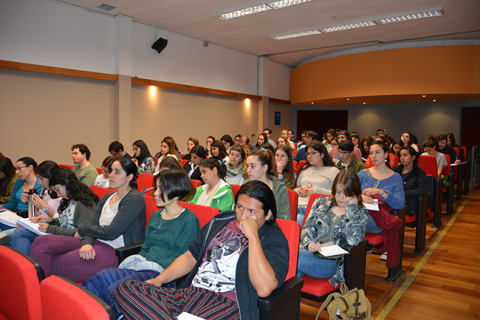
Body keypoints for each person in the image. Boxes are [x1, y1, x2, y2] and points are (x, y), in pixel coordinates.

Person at [114, 180, 289, 320]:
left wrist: (253, 237)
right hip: (190, 293)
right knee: (125, 289)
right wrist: (160, 280)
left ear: (268, 215)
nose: (243, 217)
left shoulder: (274, 239)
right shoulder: (220, 220)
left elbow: (264, 289)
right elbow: (191, 256)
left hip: (227, 304)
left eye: (252, 211)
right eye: (240, 207)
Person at [81, 170, 200, 317]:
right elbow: (146, 248)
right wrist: (137, 264)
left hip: (163, 274)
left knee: (115, 290)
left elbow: (185, 257)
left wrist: (155, 269)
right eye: (156, 188)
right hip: (145, 266)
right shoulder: (157, 216)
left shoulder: (188, 220)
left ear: (175, 193)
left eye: (160, 189)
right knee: (101, 278)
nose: (155, 193)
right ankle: (79, 311)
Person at [30, 158, 147, 282]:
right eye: (111, 170)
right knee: (41, 242)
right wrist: (87, 242)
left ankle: (35, 294)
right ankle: (35, 291)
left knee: (54, 264)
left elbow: (111, 232)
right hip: (96, 241)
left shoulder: (134, 198)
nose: (111, 175)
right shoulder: (108, 196)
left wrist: (83, 230)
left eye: (117, 172)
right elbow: (93, 224)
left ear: (129, 177)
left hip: (115, 250)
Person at [297, 170, 367, 286]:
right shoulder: (321, 202)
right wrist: (308, 243)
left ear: (355, 193)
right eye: (338, 192)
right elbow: (306, 229)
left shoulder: (359, 213)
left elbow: (353, 241)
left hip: (333, 263)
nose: (340, 197)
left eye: (346, 194)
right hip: (312, 254)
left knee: (293, 258)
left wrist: (352, 209)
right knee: (293, 272)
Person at [9, 167, 95, 255]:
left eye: (57, 189)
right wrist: (49, 220)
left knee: (33, 242)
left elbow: (81, 231)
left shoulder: (84, 203)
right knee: (19, 232)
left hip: (72, 239)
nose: (58, 194)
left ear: (66, 183)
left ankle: (24, 266)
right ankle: (20, 265)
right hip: (60, 233)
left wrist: (51, 228)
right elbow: (66, 222)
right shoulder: (68, 200)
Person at [358, 141, 405, 235]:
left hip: (378, 218)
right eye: (371, 153)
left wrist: (381, 192)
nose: (373, 156)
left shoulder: (395, 177)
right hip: (360, 214)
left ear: (386, 154)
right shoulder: (363, 174)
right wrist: (361, 196)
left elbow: (399, 203)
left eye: (377, 152)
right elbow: (349, 193)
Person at [295, 141, 339, 226]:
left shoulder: (334, 171)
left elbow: (337, 195)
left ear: (322, 154)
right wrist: (299, 191)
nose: (309, 156)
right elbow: (296, 189)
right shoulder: (304, 169)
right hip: (299, 207)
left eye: (313, 153)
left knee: (297, 221)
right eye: (307, 154)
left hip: (319, 210)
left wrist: (316, 191)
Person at [246, 149, 291, 220]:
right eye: (247, 166)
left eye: (252, 166)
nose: (248, 170)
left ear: (264, 168)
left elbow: (284, 219)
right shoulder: (246, 185)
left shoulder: (280, 189)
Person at [392, 146, 428, 217]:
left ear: (413, 157)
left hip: (409, 202)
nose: (402, 158)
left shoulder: (419, 173)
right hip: (393, 198)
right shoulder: (394, 170)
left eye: (405, 155)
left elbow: (422, 190)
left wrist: (403, 194)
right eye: (400, 155)